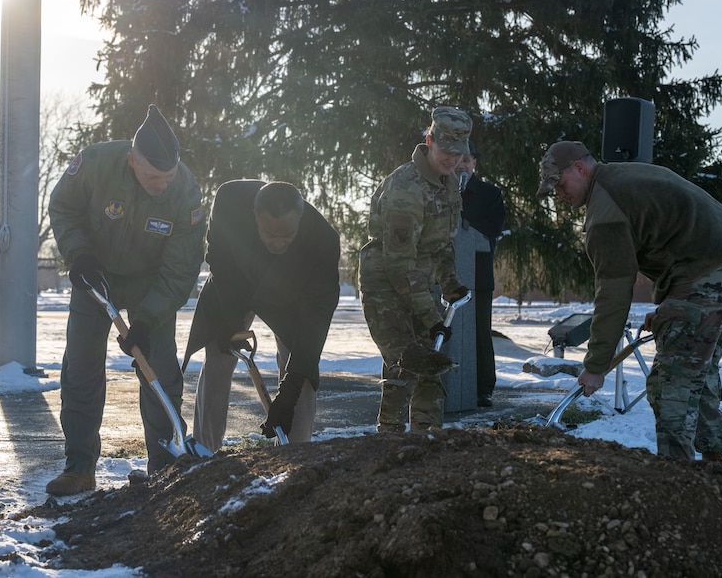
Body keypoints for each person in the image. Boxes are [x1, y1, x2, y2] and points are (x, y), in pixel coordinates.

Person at [536, 140, 722, 462]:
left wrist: (596, 365)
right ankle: (715, 468)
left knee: (671, 382)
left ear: (580, 168)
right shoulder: (621, 178)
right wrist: (671, 309)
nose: (558, 195)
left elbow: (613, 294)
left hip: (709, 270)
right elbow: (673, 234)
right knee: (696, 366)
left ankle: (678, 481)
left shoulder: (604, 211)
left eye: (559, 184)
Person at [45, 105, 207, 496]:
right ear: (133, 160)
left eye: (167, 177)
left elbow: (181, 269)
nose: (162, 185)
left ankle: (165, 466)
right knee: (81, 368)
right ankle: (80, 467)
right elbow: (63, 206)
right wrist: (79, 254)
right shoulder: (97, 163)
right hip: (95, 279)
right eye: (153, 177)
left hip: (153, 286)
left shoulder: (185, 192)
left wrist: (147, 321)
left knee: (159, 369)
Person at [182, 180, 340, 448]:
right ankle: (206, 453)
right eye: (270, 234)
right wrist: (230, 317)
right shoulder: (230, 200)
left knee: (301, 379)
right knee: (219, 355)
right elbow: (219, 257)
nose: (278, 242)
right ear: (255, 217)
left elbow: (314, 324)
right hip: (234, 283)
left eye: (287, 235)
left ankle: (295, 457)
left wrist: (288, 392)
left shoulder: (323, 241)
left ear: (300, 220)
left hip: (291, 298)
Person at [359, 106, 472, 432]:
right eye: (446, 151)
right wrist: (432, 316)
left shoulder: (449, 184)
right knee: (406, 361)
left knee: (430, 364)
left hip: (418, 280)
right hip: (385, 279)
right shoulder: (406, 189)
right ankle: (390, 443)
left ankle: (426, 440)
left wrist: (450, 284)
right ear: (429, 141)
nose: (452, 159)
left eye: (459, 153)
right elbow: (398, 264)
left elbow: (442, 243)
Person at [454, 141, 506, 408]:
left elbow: (492, 230)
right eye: (458, 158)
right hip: (443, 279)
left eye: (467, 159)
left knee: (479, 334)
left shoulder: (490, 194)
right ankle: (445, 385)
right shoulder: (439, 192)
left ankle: (483, 388)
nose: (462, 164)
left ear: (475, 163)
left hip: (477, 277)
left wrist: (464, 224)